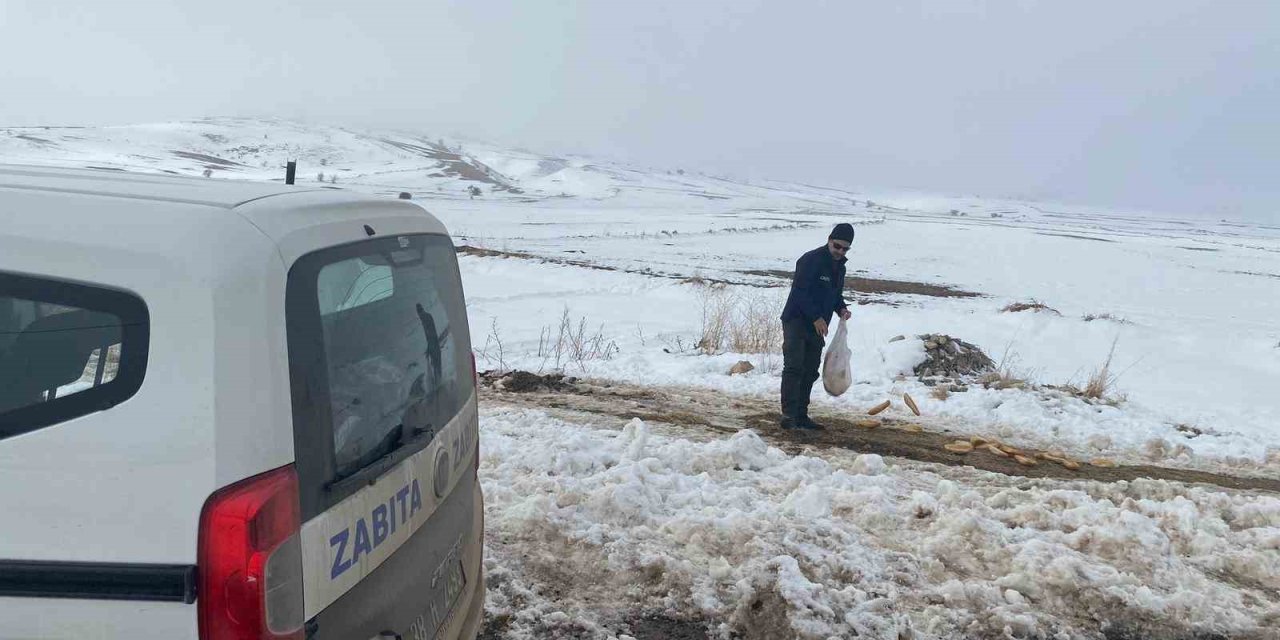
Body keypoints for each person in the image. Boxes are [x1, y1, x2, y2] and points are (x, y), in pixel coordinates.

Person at [779, 223, 854, 429]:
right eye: (837, 246)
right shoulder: (810, 260)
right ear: (829, 240)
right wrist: (815, 317)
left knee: (810, 370)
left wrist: (841, 309)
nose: (840, 251)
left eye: (845, 249)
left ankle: (801, 415)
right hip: (796, 321)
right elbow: (800, 292)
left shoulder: (840, 268)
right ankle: (788, 416)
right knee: (794, 367)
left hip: (817, 326)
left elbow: (834, 295)